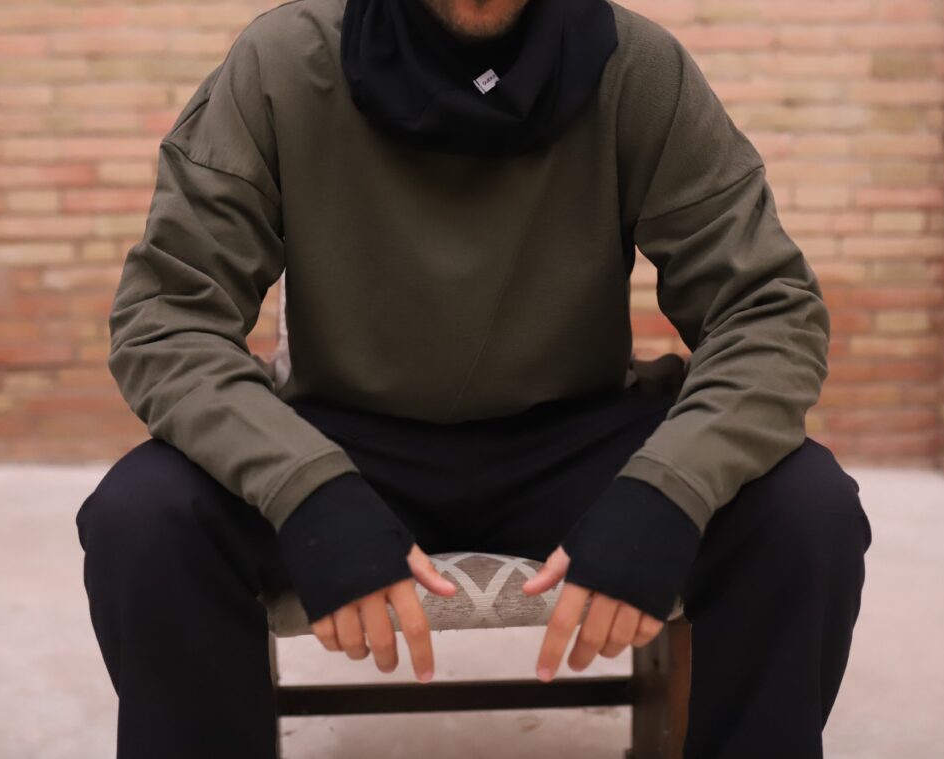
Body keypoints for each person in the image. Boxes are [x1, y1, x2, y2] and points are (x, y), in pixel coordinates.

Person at [74, 0, 873, 757]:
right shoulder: (280, 63)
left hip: (577, 438)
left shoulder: (639, 69)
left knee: (807, 508)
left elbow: (768, 312)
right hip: (345, 444)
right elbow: (167, 319)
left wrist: (670, 488)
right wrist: (303, 485)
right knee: (144, 517)